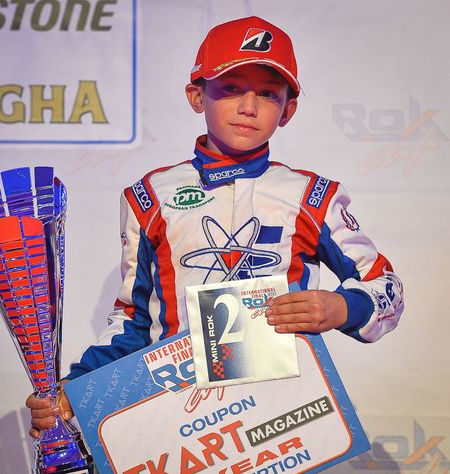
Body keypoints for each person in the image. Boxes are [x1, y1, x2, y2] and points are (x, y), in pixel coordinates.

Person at [27, 16, 404, 438]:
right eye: (230, 88)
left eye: (267, 93)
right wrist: (76, 389)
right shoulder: (149, 196)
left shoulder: (312, 195)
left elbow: (385, 285)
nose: (249, 107)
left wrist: (340, 308)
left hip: (284, 418)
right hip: (175, 414)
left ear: (288, 110)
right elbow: (134, 317)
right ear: (196, 95)